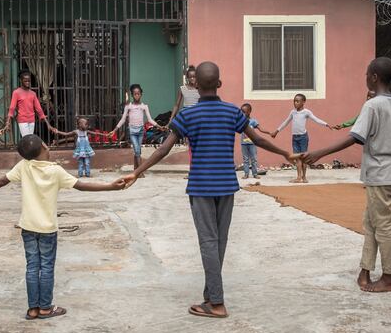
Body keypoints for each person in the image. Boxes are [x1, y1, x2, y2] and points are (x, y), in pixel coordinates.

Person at [121, 62, 297, 318]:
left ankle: (216, 302)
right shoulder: (232, 112)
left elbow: (163, 149)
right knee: (218, 242)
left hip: (201, 187)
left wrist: (136, 172)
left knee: (208, 242)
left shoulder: (187, 116)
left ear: (195, 85)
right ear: (219, 84)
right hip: (226, 186)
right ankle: (210, 294)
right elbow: (257, 139)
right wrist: (285, 153)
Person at [0, 135, 125, 320]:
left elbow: (2, 181)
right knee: (47, 267)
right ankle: (46, 308)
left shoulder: (24, 166)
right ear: (44, 146)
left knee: (32, 267)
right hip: (47, 229)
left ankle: (33, 309)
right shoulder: (55, 170)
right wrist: (110, 187)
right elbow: (81, 186)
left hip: (28, 227)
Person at [302, 57, 391, 293]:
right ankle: (365, 271)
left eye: (367, 74)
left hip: (381, 173)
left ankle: (389, 277)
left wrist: (320, 152)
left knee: (383, 224)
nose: (365, 78)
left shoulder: (372, 105)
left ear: (374, 77)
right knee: (371, 222)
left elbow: (355, 137)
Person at [271, 94, 332, 183]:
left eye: (297, 101)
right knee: (297, 158)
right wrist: (277, 131)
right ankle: (299, 177)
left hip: (303, 137)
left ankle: (304, 177)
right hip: (295, 138)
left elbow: (316, 119)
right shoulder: (293, 112)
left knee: (304, 158)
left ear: (303, 102)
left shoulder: (306, 112)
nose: (295, 103)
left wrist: (326, 124)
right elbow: (286, 122)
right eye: (294, 101)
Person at [108, 84, 164, 174]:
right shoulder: (128, 107)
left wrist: (160, 127)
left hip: (141, 131)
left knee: (137, 151)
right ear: (132, 95)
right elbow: (122, 119)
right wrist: (114, 130)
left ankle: (135, 169)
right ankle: (140, 172)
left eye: (138, 94)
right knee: (137, 150)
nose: (137, 95)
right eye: (135, 94)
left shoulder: (144, 106)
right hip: (132, 131)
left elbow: (150, 119)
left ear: (141, 94)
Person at [4, 70, 55, 137]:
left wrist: (48, 124)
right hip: (22, 120)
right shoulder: (16, 93)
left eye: (29, 81)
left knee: (30, 139)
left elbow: (39, 109)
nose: (27, 83)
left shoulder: (33, 94)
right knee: (27, 139)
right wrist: (8, 123)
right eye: (25, 81)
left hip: (32, 120)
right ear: (21, 81)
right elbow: (12, 108)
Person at [239, 103, 273, 179]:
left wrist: (269, 132)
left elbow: (260, 129)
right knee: (245, 159)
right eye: (241, 112)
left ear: (249, 111)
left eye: (244, 112)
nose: (243, 114)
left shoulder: (253, 121)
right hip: (244, 144)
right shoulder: (240, 121)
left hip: (252, 143)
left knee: (254, 159)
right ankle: (246, 174)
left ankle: (255, 174)